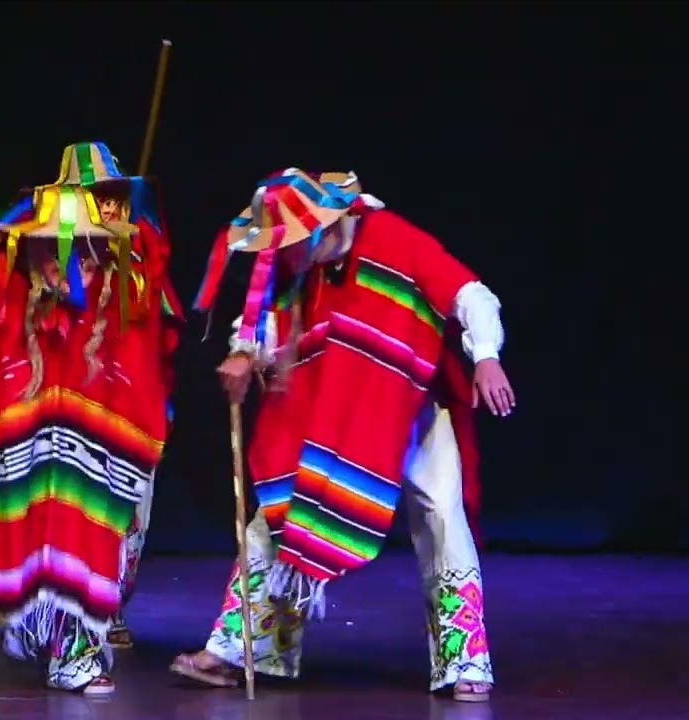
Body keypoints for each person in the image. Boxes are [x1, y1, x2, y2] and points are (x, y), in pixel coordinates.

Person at [169, 169, 515, 702]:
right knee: (277, 514)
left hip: (412, 407)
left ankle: (465, 661)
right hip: (339, 416)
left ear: (323, 227)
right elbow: (265, 321)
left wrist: (486, 358)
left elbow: (470, 294)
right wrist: (245, 353)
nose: (281, 254)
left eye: (290, 241)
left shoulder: (396, 241)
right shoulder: (301, 270)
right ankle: (245, 650)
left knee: (442, 516)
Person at [0, 141, 181, 694]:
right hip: (2, 421)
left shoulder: (132, 282)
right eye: (57, 247)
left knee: (100, 503)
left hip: (94, 432)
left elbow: (153, 363)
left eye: (87, 248)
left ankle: (74, 643)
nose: (71, 261)